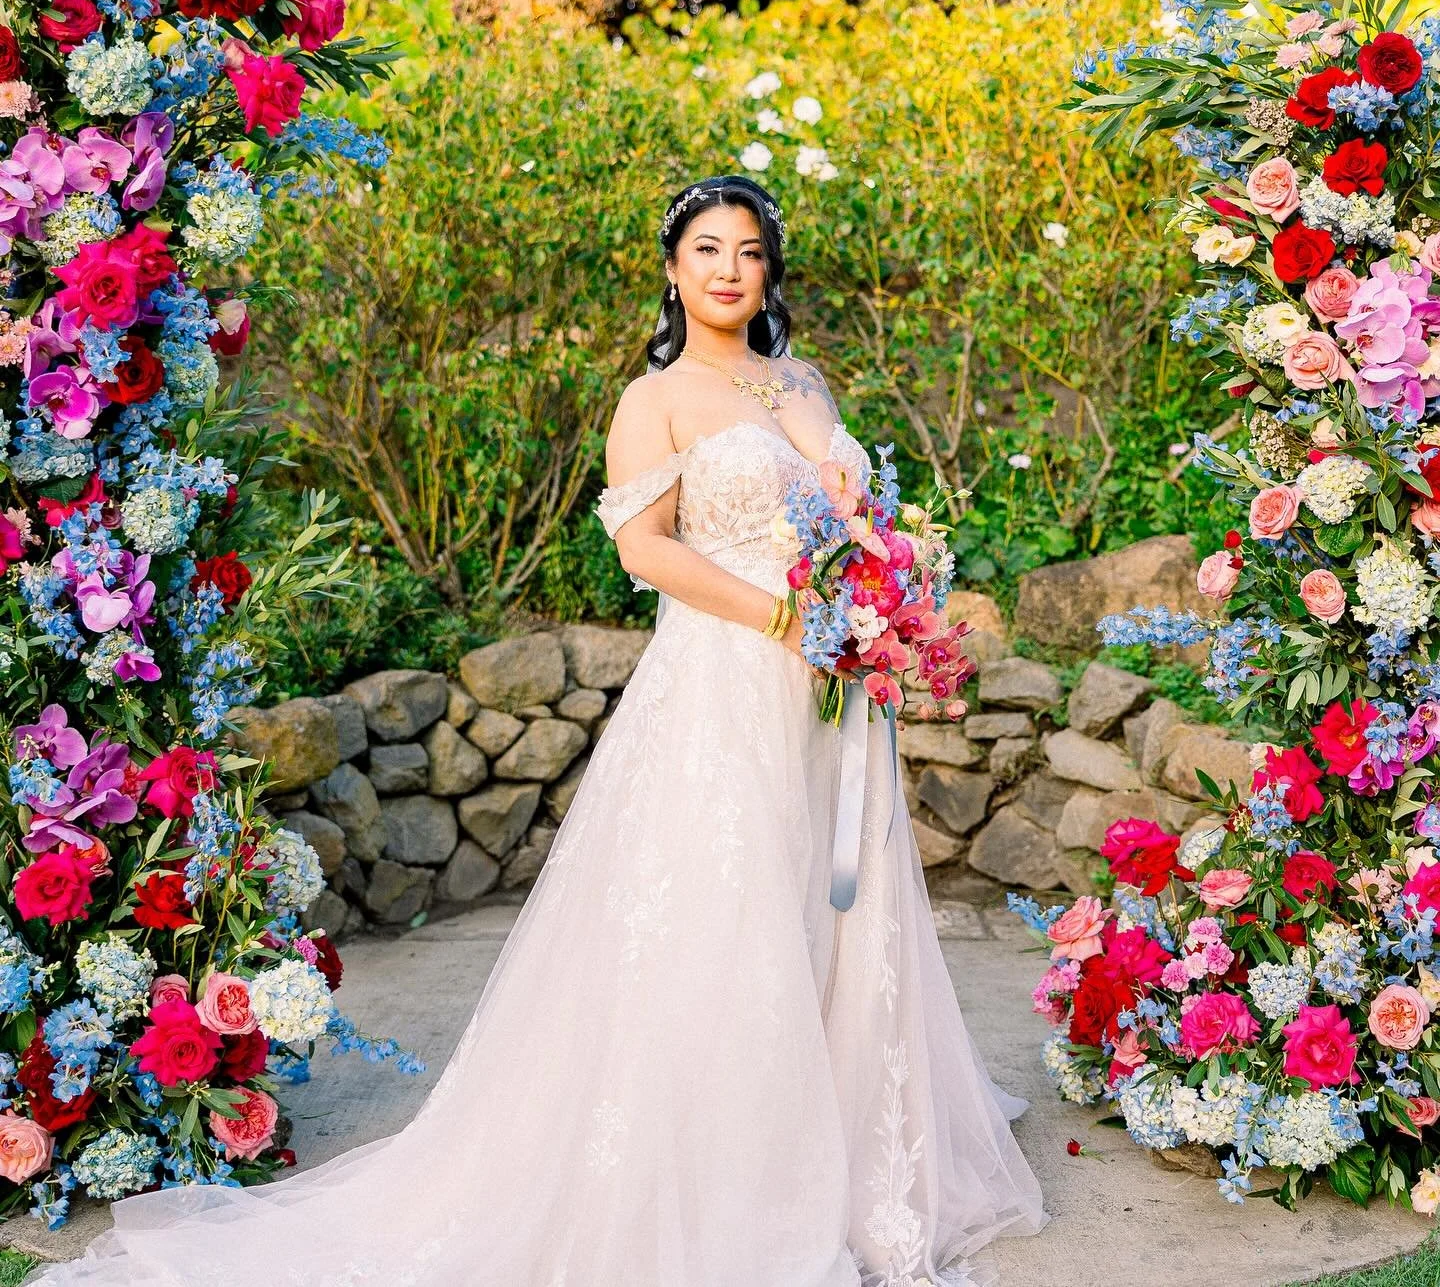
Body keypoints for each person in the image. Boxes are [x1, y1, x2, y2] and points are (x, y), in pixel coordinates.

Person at [40, 174, 1044, 1287]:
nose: (728, 268)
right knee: (730, 911)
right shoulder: (653, 397)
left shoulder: (801, 378)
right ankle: (728, 1168)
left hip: (834, 681)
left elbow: (854, 510)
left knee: (830, 905)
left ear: (771, 270)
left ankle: (855, 1138)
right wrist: (784, 615)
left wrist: (879, 592)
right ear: (673, 268)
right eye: (706, 248)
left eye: (750, 250)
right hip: (727, 677)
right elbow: (645, 551)